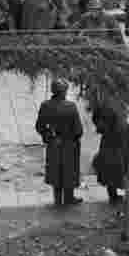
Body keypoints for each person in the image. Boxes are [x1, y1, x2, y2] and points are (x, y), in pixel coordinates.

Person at [35, 79, 84, 207]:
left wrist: (49, 137)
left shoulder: (45, 105)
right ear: (64, 92)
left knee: (56, 172)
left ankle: (57, 200)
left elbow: (39, 126)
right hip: (69, 144)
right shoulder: (71, 107)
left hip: (53, 144)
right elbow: (78, 130)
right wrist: (74, 139)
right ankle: (69, 198)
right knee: (69, 171)